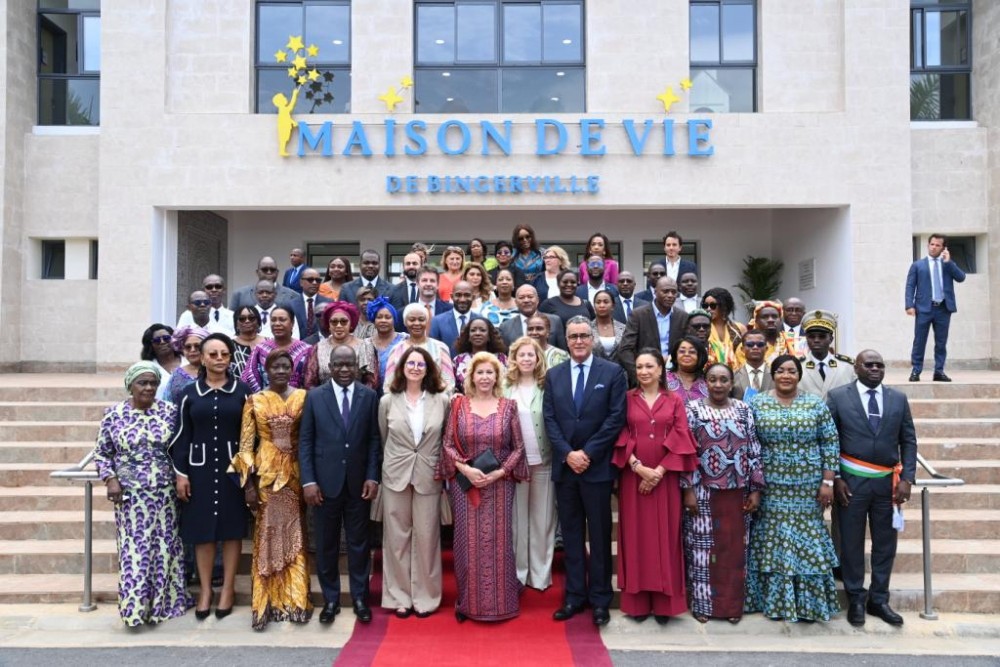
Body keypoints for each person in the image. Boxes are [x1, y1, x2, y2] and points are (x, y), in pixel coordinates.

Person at [94, 361, 191, 627]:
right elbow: (102, 453)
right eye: (142, 382)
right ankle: (134, 610)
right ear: (130, 385)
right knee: (134, 551)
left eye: (153, 383)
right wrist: (110, 479)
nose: (148, 388)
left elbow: (180, 448)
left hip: (165, 494)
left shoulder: (170, 412)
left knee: (165, 549)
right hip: (130, 496)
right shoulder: (113, 414)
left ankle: (163, 605)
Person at [544, 316, 627, 627]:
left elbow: (615, 418)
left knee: (601, 535)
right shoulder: (554, 375)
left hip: (597, 468)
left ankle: (600, 599)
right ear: (566, 341)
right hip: (566, 469)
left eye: (583, 336)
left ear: (592, 339)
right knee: (572, 535)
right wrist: (568, 454)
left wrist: (587, 453)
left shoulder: (613, 372)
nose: (578, 341)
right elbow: (550, 419)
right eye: (573, 336)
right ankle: (575, 596)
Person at [746, 355, 840, 623]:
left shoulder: (815, 404)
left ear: (799, 375)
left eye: (791, 371)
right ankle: (773, 601)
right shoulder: (756, 403)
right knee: (772, 538)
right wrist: (754, 485)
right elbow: (750, 444)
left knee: (807, 539)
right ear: (773, 375)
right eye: (780, 371)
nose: (786, 376)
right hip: (770, 486)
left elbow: (830, 442)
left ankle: (809, 605)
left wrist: (828, 482)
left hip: (808, 487)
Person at [827, 350, 917, 627]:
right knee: (851, 543)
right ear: (856, 368)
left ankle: (879, 599)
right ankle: (855, 597)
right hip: (850, 483)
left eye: (880, 365)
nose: (875, 369)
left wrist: (907, 478)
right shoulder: (838, 397)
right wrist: (835, 477)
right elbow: (829, 440)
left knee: (885, 544)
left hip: (887, 485)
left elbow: (908, 440)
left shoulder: (898, 398)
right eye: (869, 364)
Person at [439, 352, 528, 621]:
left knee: (499, 543)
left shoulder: (509, 406)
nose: (485, 377)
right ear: (471, 376)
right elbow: (447, 444)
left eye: (490, 372)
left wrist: (499, 473)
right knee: (466, 543)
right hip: (466, 486)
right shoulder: (458, 406)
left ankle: (502, 603)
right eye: (480, 372)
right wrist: (466, 469)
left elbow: (518, 447)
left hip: (500, 486)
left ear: (497, 376)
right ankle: (468, 603)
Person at [612, 349, 697, 624]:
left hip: (665, 478)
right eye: (639, 367)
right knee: (635, 537)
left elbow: (681, 435)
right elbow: (620, 432)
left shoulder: (674, 400)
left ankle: (664, 606)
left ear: (661, 369)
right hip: (632, 477)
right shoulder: (626, 398)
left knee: (666, 538)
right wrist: (638, 467)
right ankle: (636, 605)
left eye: (649, 366)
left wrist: (658, 472)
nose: (644, 371)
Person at [299, 345, 382, 625]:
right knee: (327, 544)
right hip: (324, 485)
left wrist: (372, 476)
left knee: (359, 544)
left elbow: (374, 440)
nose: (344, 369)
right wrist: (309, 481)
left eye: (350, 364)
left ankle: (360, 598)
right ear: (329, 367)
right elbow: (306, 441)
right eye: (339, 365)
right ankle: (331, 599)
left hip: (359, 484)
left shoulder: (369, 396)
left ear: (357, 367)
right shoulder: (314, 397)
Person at [172, 333, 252, 620]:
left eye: (224, 354)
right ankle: (206, 590)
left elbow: (250, 437)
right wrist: (181, 475)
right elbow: (181, 437)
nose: (219, 359)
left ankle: (227, 589)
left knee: (231, 530)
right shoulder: (189, 393)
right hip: (199, 472)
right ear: (202, 358)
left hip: (233, 473)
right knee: (202, 531)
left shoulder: (243, 391)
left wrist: (248, 475)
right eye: (213, 354)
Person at [233, 349, 312, 631]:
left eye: (285, 366)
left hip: (295, 474)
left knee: (295, 535)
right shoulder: (254, 400)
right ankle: (266, 603)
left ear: (292, 370)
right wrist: (247, 485)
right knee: (268, 536)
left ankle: (295, 600)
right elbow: (245, 446)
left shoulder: (304, 397)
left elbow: (310, 437)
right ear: (266, 370)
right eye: (275, 366)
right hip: (266, 476)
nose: (280, 371)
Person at [682, 363, 764, 624]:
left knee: (734, 550)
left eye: (723, 380)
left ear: (731, 383)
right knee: (702, 551)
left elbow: (754, 450)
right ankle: (703, 605)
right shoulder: (692, 409)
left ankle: (731, 606)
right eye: (713, 379)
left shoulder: (743, 410)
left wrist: (755, 489)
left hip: (738, 492)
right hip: (703, 492)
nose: (718, 385)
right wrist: (688, 489)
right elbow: (686, 453)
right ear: (705, 382)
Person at [378, 346, 451, 618]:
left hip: (428, 475)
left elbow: (445, 438)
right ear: (402, 368)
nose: (416, 368)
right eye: (411, 363)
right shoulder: (387, 401)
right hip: (395, 474)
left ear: (428, 369)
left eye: (421, 364)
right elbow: (383, 437)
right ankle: (399, 597)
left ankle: (425, 597)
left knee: (427, 536)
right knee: (396, 538)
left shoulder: (441, 400)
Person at [503, 337, 556, 591]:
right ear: (514, 358)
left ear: (538, 359)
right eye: (521, 354)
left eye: (530, 355)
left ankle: (540, 575)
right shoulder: (504, 387)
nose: (526, 359)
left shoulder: (548, 386)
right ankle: (518, 574)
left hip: (543, 461)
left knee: (542, 520)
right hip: (514, 465)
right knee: (517, 522)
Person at [906, 234, 966, 382]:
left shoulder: (947, 264)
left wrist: (949, 262)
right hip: (923, 308)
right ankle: (916, 371)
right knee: (919, 341)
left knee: (941, 343)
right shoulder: (918, 265)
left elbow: (961, 277)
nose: (933, 247)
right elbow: (910, 286)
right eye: (932, 244)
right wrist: (909, 305)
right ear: (928, 245)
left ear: (943, 248)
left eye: (937, 245)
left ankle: (939, 371)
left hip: (943, 309)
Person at [617, 277, 689, 386]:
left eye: (674, 292)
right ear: (655, 292)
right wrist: (639, 374)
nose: (670, 295)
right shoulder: (638, 315)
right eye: (665, 291)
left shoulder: (683, 317)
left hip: (675, 379)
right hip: (644, 379)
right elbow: (625, 350)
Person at [383, 303, 456, 394]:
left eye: (421, 319)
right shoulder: (397, 350)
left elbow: (449, 383)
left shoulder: (440, 348)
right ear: (405, 322)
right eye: (412, 320)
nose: (417, 323)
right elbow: (388, 385)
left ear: (427, 321)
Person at [303, 302, 378, 390]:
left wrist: (355, 396)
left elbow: (371, 382)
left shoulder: (364, 347)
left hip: (358, 396)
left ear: (351, 324)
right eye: (334, 322)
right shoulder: (318, 348)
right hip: (325, 396)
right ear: (329, 325)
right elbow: (309, 382)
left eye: (343, 322)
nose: (338, 326)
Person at [242, 307, 311, 392]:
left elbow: (311, 381)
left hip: (299, 399)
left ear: (292, 323)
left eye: (282, 320)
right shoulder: (260, 349)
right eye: (273, 320)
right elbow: (248, 379)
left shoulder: (306, 350)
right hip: (266, 398)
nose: (277, 324)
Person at [798, 309, 855, 399]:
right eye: (811, 336)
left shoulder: (847, 366)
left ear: (831, 339)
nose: (816, 340)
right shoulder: (797, 366)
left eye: (822, 336)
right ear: (806, 339)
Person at [499, 284, 565, 350]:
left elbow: (562, 351)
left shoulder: (554, 321)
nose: (526, 300)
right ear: (516, 302)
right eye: (521, 298)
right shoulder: (505, 327)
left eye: (530, 297)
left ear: (537, 300)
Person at [429, 280, 482, 356]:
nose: (462, 299)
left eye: (467, 295)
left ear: (473, 297)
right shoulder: (437, 322)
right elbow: (432, 351)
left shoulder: (481, 321)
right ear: (452, 297)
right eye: (458, 295)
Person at [453, 318, 508, 389]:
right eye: (473, 330)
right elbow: (453, 387)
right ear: (468, 336)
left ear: (489, 335)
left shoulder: (502, 359)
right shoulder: (458, 360)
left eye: (482, 330)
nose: (477, 333)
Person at [230, 256, 299, 311]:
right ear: (257, 272)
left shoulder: (293, 296)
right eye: (264, 270)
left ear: (277, 273)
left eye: (272, 270)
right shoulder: (240, 295)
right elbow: (231, 320)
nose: (269, 272)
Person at [367, 297, 409, 387]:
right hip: (372, 392)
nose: (383, 320)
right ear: (374, 320)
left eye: (388, 317)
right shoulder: (366, 344)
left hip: (399, 390)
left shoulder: (405, 340)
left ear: (394, 320)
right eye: (379, 317)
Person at [702, 287, 745, 370]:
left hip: (736, 374)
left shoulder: (739, 328)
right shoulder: (701, 328)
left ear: (724, 306)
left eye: (713, 305)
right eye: (705, 306)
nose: (708, 309)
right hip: (709, 373)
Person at [166, 325, 209, 403]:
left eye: (197, 346)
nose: (192, 350)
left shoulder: (218, 370)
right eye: (188, 347)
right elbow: (167, 402)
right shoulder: (176, 375)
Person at [289, 268, 332, 340]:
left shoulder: (329, 303)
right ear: (301, 282)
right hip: (298, 344)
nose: (314, 283)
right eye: (310, 280)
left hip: (322, 344)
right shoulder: (291, 305)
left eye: (318, 280)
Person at [140, 323, 180, 400]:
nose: (162, 342)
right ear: (150, 345)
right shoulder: (147, 368)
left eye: (166, 338)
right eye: (157, 340)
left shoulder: (187, 361)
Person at [750, 300, 795, 365]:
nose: (770, 320)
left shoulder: (794, 340)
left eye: (774, 316)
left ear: (780, 319)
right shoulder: (748, 345)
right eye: (765, 317)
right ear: (756, 321)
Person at [732, 329, 773, 400]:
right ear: (742, 349)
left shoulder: (776, 376)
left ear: (766, 349)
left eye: (760, 344)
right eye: (750, 344)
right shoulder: (733, 377)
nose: (755, 347)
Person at [666, 336, 709, 403]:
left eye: (692, 352)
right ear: (675, 356)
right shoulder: (663, 380)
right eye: (682, 351)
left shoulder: (708, 381)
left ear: (700, 357)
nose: (686, 354)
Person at [590, 289, 626, 360]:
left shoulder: (623, 328)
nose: (602, 305)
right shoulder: (587, 328)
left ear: (613, 306)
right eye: (598, 302)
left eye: (606, 302)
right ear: (594, 306)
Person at [231, 306, 265, 378]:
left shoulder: (268, 344)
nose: (247, 321)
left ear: (258, 322)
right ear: (236, 324)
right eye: (242, 319)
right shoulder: (229, 346)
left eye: (251, 318)